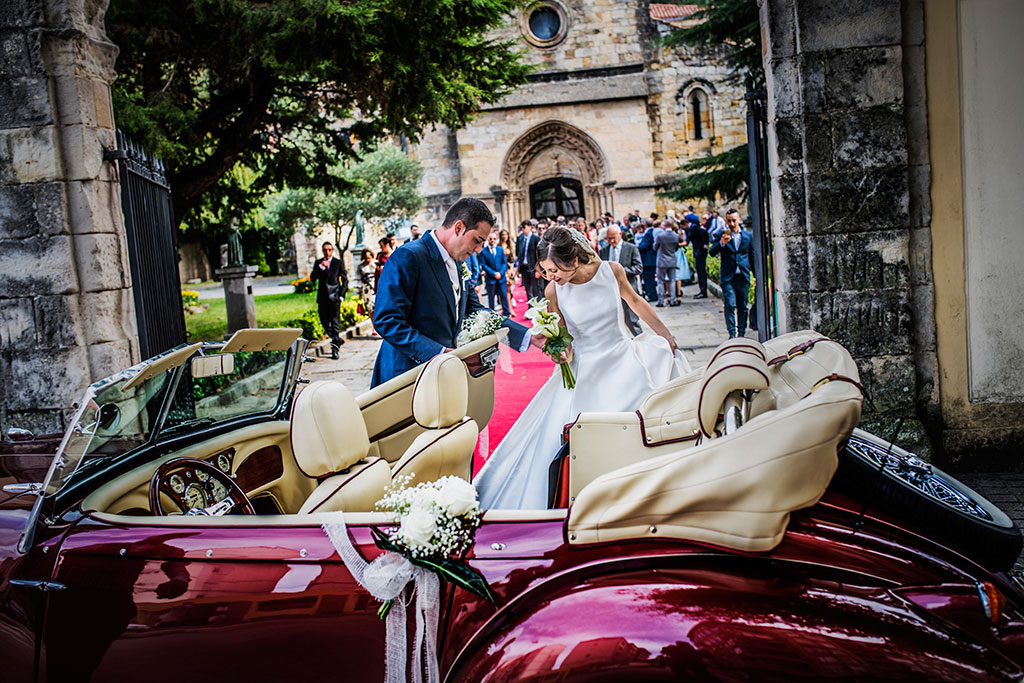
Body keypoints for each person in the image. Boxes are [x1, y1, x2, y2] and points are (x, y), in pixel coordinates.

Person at [474, 226, 690, 509]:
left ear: (574, 260)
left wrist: (665, 335)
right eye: (545, 271)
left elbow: (635, 302)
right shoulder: (553, 290)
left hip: (621, 359)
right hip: (583, 369)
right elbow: (562, 335)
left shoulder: (611, 272)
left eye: (555, 270)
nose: (550, 278)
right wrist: (560, 352)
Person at [371, 198, 542, 387]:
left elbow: (476, 310)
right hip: (407, 376)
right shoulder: (410, 256)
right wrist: (440, 353)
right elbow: (387, 320)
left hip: (443, 376)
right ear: (459, 227)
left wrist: (529, 336)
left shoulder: (458, 261)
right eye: (477, 241)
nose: (478, 250)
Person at [709, 208, 754, 339]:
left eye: (734, 220)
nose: (732, 224)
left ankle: (741, 333)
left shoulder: (747, 236)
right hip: (728, 277)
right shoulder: (721, 236)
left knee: (743, 306)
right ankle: (732, 334)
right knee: (730, 304)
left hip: (743, 276)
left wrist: (755, 275)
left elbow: (752, 257)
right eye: (729, 221)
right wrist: (722, 243)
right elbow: (712, 252)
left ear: (739, 220)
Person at [599, 225, 643, 336]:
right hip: (609, 291)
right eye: (609, 238)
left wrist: (620, 272)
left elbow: (638, 267)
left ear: (620, 235)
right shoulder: (604, 251)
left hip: (627, 288)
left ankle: (643, 340)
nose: (612, 241)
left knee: (631, 320)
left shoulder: (631, 248)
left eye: (614, 237)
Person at [309, 241, 348, 359]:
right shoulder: (318, 263)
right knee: (324, 321)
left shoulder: (337, 263)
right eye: (325, 250)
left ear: (332, 251)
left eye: (329, 250)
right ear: (322, 251)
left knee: (335, 323)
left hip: (334, 297)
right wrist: (321, 267)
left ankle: (335, 350)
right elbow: (312, 278)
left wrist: (341, 295)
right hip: (322, 298)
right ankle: (337, 339)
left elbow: (345, 280)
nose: (327, 252)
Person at [480, 230, 512, 315]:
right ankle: (492, 315)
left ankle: (506, 313)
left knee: (504, 296)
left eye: (494, 238)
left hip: (501, 278)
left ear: (496, 239)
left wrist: (500, 273)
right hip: (491, 279)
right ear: (488, 239)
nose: (492, 240)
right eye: (490, 239)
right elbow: (484, 265)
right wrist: (494, 273)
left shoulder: (500, 249)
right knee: (491, 298)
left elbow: (504, 263)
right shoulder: (483, 251)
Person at [654, 220, 681, 307]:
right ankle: (673, 300)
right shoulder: (675, 236)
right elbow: (676, 247)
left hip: (661, 260)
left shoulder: (660, 236)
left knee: (660, 281)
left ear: (664, 225)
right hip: (672, 260)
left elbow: (655, 247)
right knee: (672, 280)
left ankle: (661, 301)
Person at [516, 221, 543, 300]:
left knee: (536, 289)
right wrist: (518, 269)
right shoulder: (520, 238)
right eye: (522, 228)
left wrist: (539, 270)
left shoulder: (536, 239)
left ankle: (539, 308)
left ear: (530, 227)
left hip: (534, 267)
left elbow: (540, 256)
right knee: (528, 289)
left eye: (525, 227)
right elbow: (519, 254)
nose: (523, 230)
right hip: (524, 267)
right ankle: (531, 308)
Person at [687, 208, 710, 299]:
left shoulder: (695, 228)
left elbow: (705, 233)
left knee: (701, 271)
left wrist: (705, 244)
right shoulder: (693, 228)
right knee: (700, 271)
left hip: (700, 251)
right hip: (698, 250)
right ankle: (702, 290)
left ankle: (703, 290)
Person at [637, 219, 659, 302]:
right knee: (650, 279)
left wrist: (636, 248)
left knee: (648, 279)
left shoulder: (648, 233)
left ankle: (651, 295)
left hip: (648, 259)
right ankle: (652, 294)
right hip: (651, 259)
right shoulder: (652, 232)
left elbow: (645, 246)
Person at [357, 248, 376, 316]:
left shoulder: (375, 264)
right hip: (366, 289)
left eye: (369, 258)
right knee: (370, 308)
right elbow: (359, 279)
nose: (367, 260)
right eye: (365, 258)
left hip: (375, 286)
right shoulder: (361, 267)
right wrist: (359, 292)